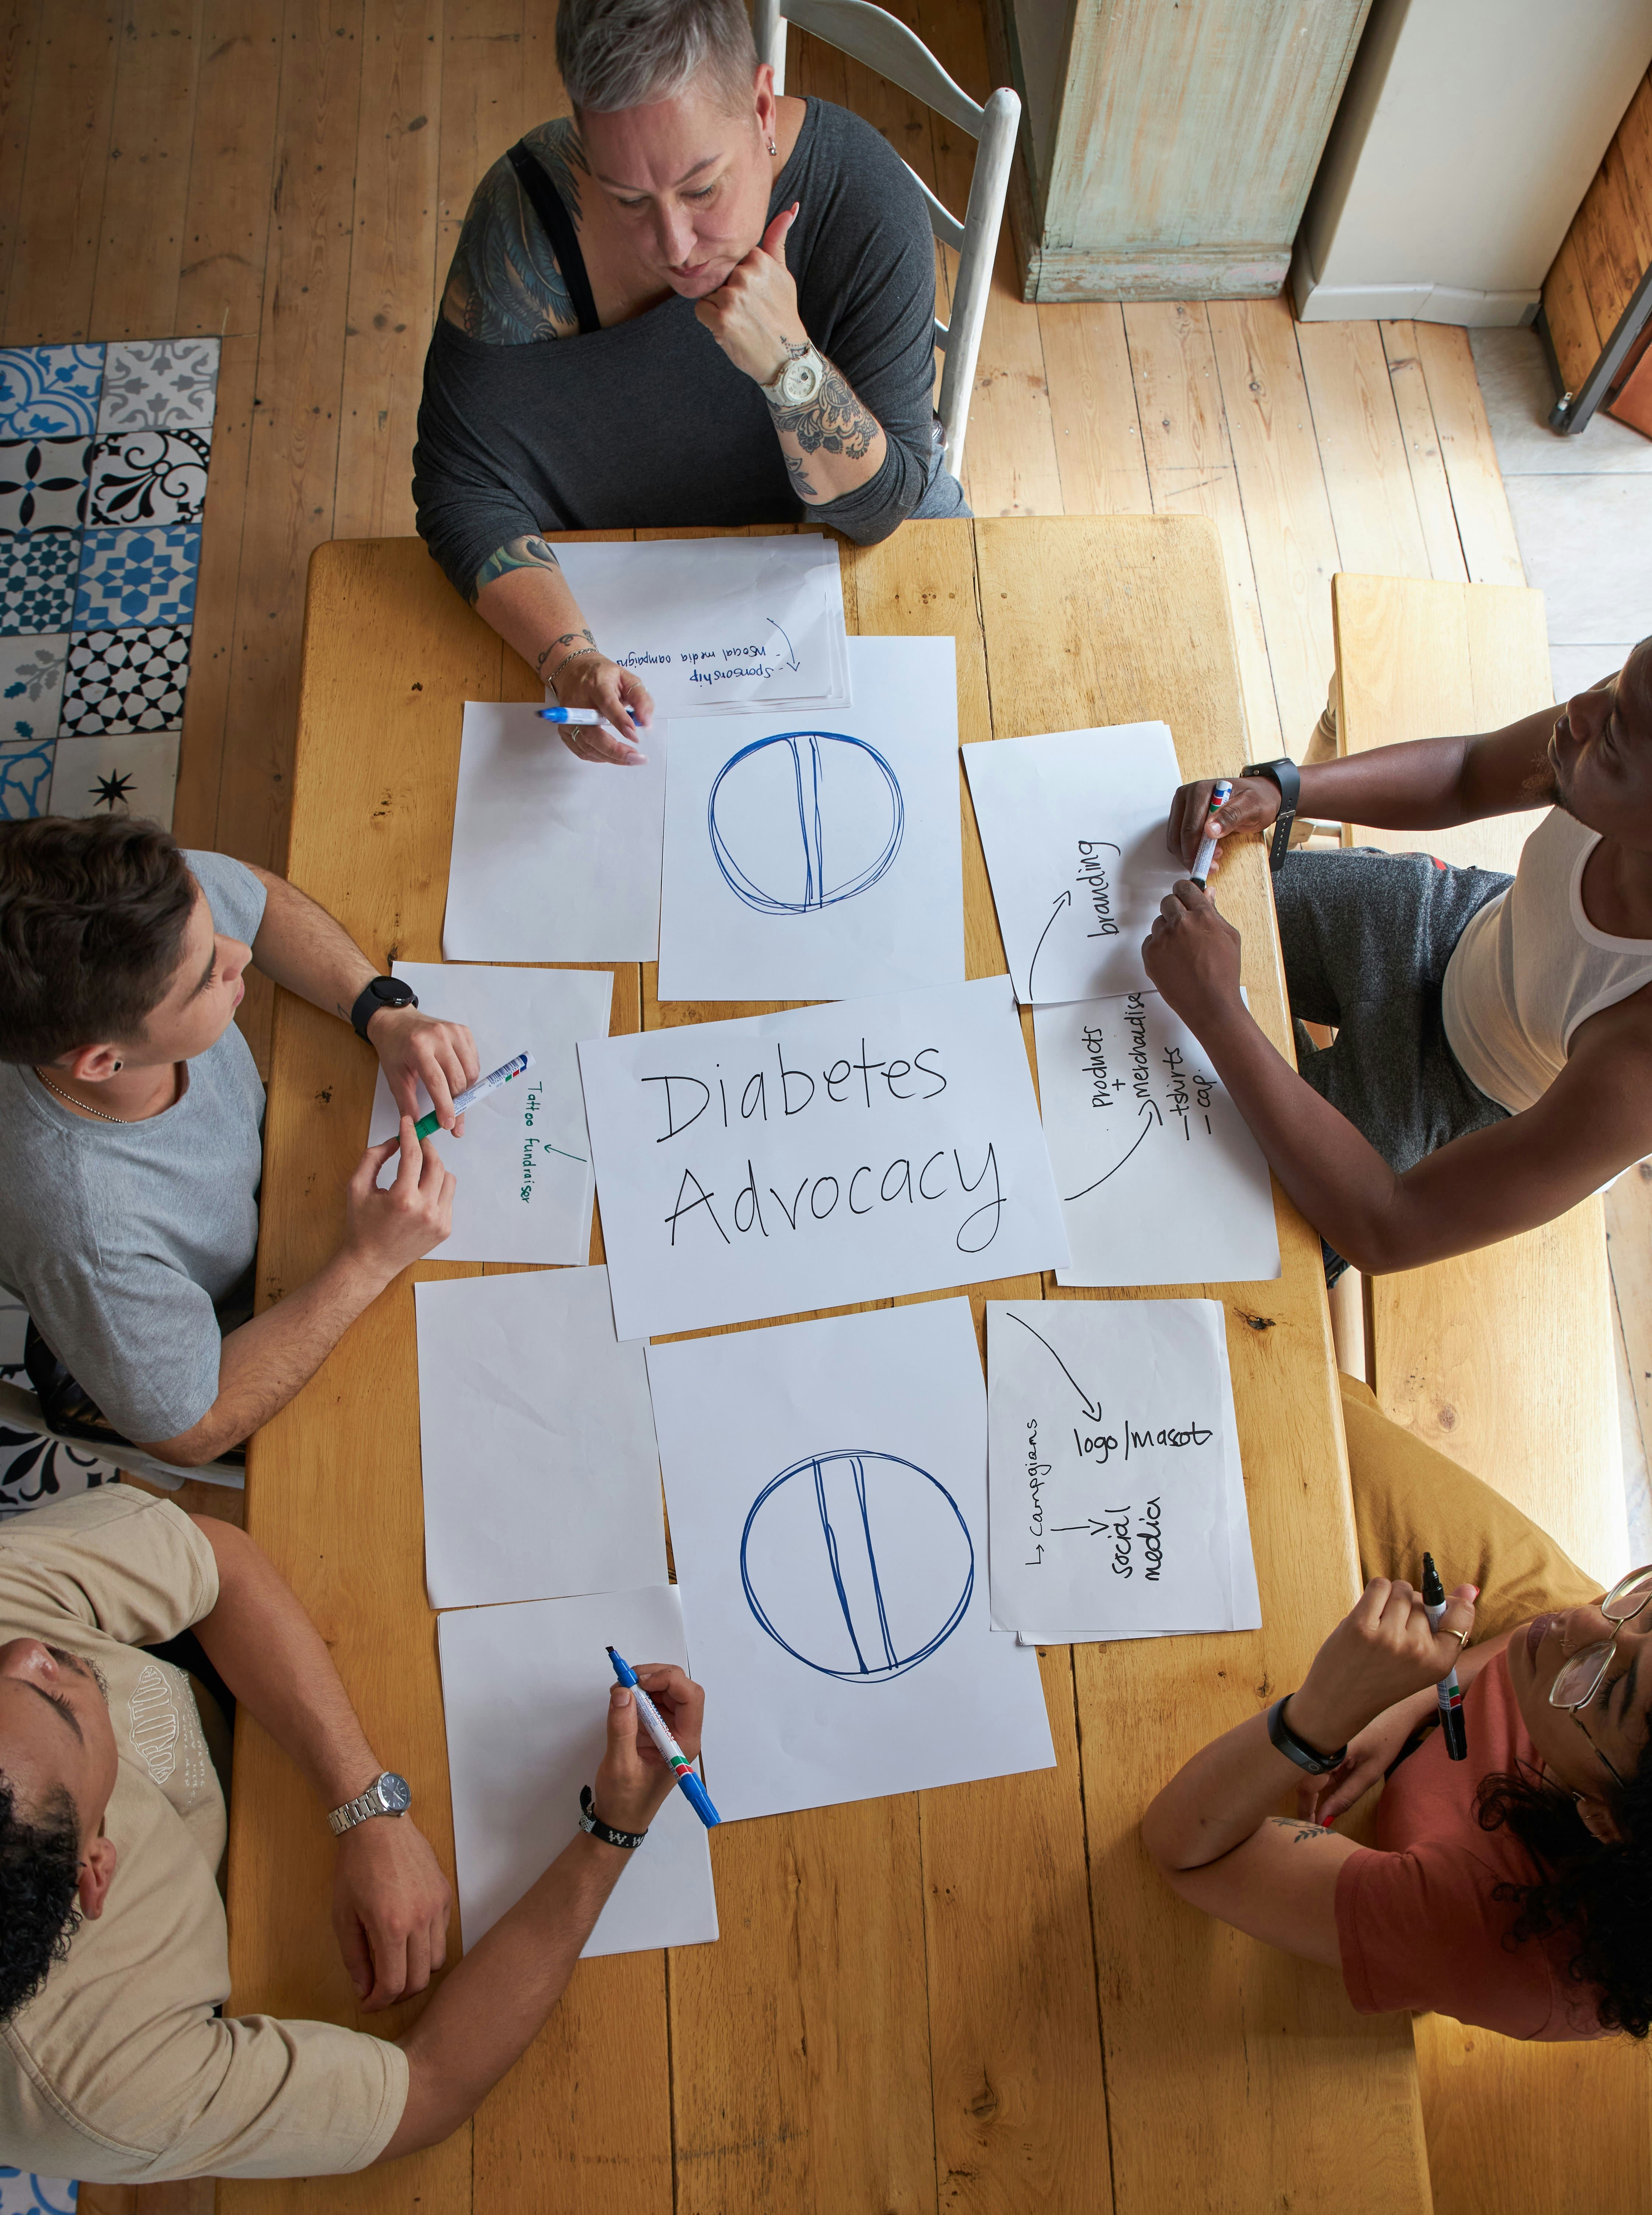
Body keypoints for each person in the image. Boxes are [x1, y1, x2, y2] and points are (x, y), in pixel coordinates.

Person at [0, 1482, 704, 2179]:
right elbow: (429, 2092)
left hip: (249, 1734)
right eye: (55, 1704)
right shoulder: (99, 2090)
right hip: (261, 1951)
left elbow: (218, 1562)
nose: (29, 1651)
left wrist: (363, 1804)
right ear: (97, 1868)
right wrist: (614, 1830)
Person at [412, 0, 966, 768]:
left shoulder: (864, 195)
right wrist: (568, 658)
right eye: (628, 201)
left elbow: (879, 514)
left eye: (702, 189)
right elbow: (458, 487)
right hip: (629, 602)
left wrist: (789, 366)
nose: (674, 246)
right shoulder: (525, 231)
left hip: (847, 558)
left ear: (762, 107)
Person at [1143, 1375, 1652, 2041]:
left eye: (1610, 1687)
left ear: (1605, 1819)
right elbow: (1566, 1633)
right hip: (1491, 1661)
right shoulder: (1589, 1652)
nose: (1585, 1618)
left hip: (1416, 1854)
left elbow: (1185, 1851)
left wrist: (1320, 1717)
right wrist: (1413, 1700)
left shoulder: (1491, 1934)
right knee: (1296, 1402)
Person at [1144, 642, 1652, 1279]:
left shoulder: (1641, 1058)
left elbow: (1390, 1226)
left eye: (1615, 734)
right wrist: (1282, 790)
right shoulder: (1622, 715)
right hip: (1445, 923)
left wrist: (1221, 1013)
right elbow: (1468, 772)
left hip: (1457, 1095)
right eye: (1613, 683)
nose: (1579, 708)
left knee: (1207, 1228)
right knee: (1168, 907)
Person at [0, 815, 476, 1470]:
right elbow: (191, 1431)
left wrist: (380, 1010)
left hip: (284, 1180)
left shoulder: (138, 909)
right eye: (206, 977)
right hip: (227, 1322)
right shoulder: (89, 1239)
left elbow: (256, 897)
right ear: (102, 1062)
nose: (240, 954)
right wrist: (367, 1262)